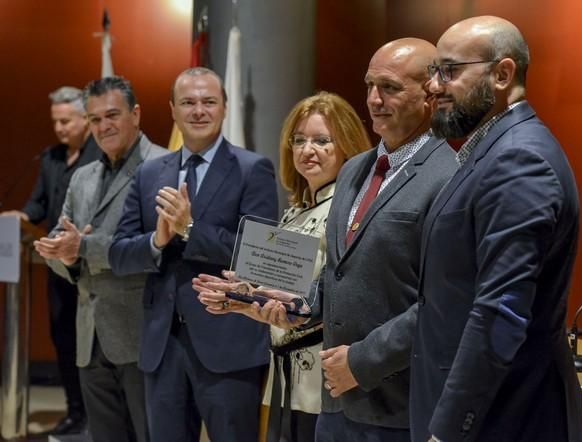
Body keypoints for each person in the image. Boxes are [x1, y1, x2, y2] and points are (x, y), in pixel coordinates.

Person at [201, 39, 457, 441]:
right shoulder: (357, 170)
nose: (374, 99)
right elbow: (338, 279)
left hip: (399, 400)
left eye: (389, 87)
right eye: (369, 85)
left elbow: (442, 302)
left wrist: (361, 361)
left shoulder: (450, 172)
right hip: (335, 400)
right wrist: (290, 305)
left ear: (431, 91)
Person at [409, 16, 582, 442]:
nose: (433, 86)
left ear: (502, 74)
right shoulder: (489, 152)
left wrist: (447, 431)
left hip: (503, 418)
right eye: (433, 71)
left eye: (448, 71)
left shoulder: (519, 160)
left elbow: (499, 313)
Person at [108, 67, 279, 442]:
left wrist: (190, 229)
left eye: (208, 102)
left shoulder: (254, 169)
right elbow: (118, 255)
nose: (198, 110)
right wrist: (157, 240)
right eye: (188, 102)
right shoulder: (149, 173)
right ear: (172, 109)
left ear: (224, 107)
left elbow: (259, 256)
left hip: (229, 346)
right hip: (162, 346)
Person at [194, 92, 370, 442]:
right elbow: (278, 290)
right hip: (282, 372)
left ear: (348, 145)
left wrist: (270, 301)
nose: (308, 149)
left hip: (325, 376)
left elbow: (341, 292)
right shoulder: (294, 212)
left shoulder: (352, 210)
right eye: (299, 140)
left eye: (322, 140)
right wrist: (241, 296)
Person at [34, 76, 167, 442]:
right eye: (94, 119)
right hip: (89, 334)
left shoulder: (164, 166)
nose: (103, 126)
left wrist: (83, 248)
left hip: (141, 334)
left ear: (135, 114)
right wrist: (64, 255)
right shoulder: (82, 177)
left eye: (112, 115)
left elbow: (156, 247)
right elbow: (63, 244)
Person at [1, 86, 100, 434]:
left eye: (66, 120)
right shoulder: (51, 158)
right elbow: (38, 205)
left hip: (91, 266)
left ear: (85, 119)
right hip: (56, 268)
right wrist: (21, 214)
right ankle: (74, 411)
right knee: (63, 339)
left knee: (91, 342)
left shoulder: (100, 156)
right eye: (55, 121)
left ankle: (94, 415)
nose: (59, 128)